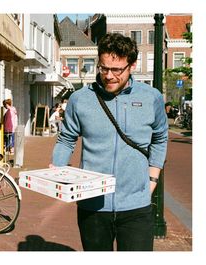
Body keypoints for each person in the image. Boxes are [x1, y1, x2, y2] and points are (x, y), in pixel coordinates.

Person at [51, 33, 168, 251]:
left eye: (117, 70)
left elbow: (160, 138)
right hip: (92, 205)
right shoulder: (80, 99)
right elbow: (66, 138)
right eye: (104, 68)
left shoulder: (151, 97)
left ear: (132, 65)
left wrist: (152, 179)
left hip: (136, 206)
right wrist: (57, 169)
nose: (109, 76)